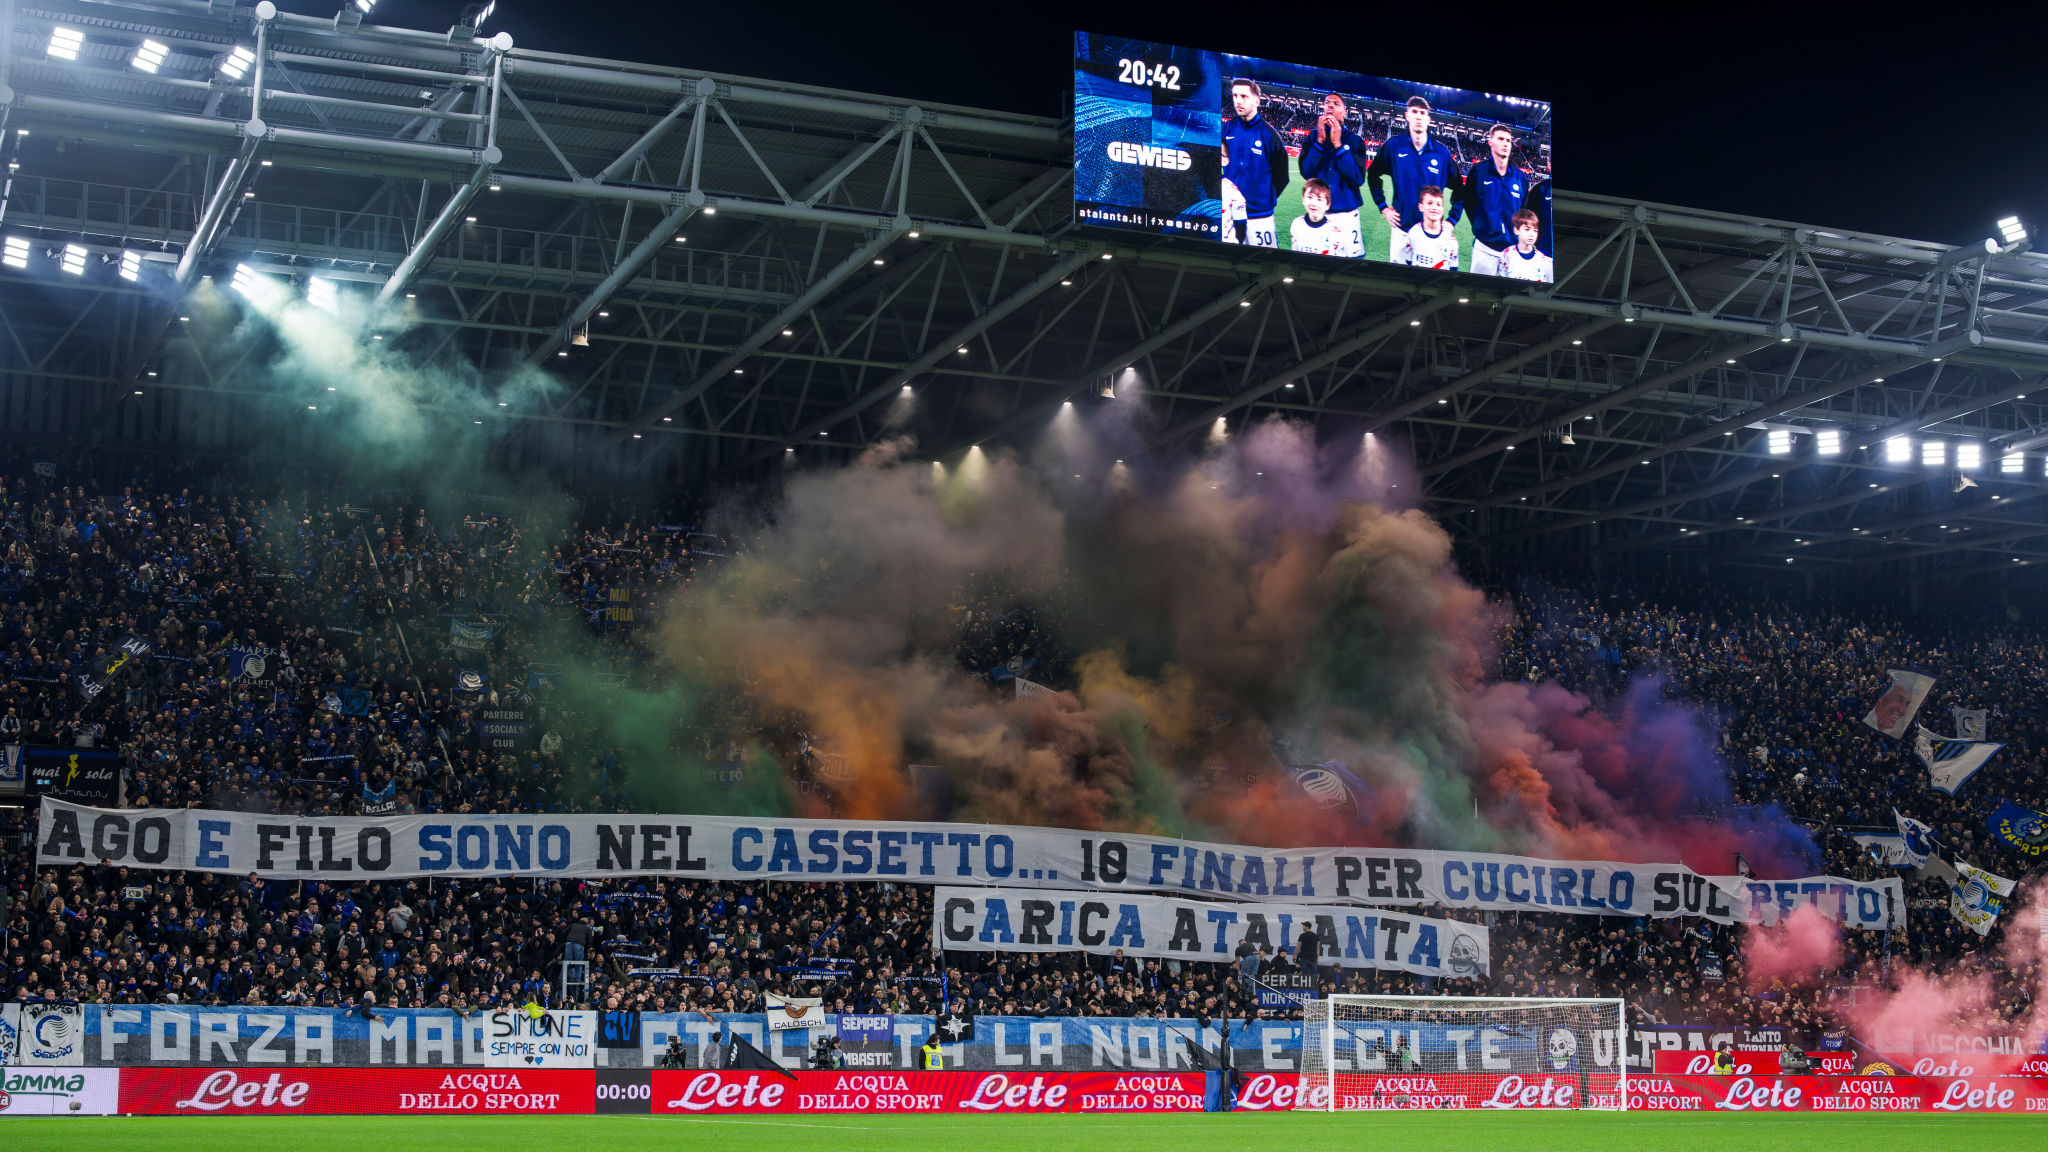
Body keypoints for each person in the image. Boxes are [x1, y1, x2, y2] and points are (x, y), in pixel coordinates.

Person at [1365, 96, 1457, 265]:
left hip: (1433, 235)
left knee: (1429, 284)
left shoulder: (1442, 154)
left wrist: (1452, 219)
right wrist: (1383, 207)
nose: (1418, 116)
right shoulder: (1394, 147)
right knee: (1398, 281)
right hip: (1402, 230)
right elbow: (1373, 174)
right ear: (1407, 115)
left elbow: (1460, 188)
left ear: (1429, 119)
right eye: (1414, 112)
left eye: (1422, 113)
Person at [1220, 78, 1289, 249]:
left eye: (1244, 96)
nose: (1238, 101)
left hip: (1261, 218)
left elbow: (1282, 177)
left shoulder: (1269, 135)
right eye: (1235, 95)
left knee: (1266, 266)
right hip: (1231, 216)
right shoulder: (1226, 130)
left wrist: (1264, 198)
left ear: (1257, 100)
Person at [1296, 92, 1366, 257]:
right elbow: (1306, 172)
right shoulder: (1313, 137)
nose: (1330, 106)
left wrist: (1337, 144)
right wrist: (1320, 141)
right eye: (1327, 103)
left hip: (1347, 215)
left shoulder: (1355, 141)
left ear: (1344, 111)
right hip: (1319, 214)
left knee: (1352, 264)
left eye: (1336, 103)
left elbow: (1358, 178)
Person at [1457, 124, 1532, 276]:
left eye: (1508, 140)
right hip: (1484, 248)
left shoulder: (1521, 178)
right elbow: (1470, 203)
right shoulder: (1478, 171)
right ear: (1490, 142)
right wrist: (1482, 226)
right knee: (1478, 294)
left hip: (1512, 251)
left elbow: (1524, 213)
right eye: (1500, 139)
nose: (1505, 143)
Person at [1406, 187, 1460, 272]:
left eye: (1438, 204)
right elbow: (1408, 262)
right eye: (1429, 203)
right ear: (1421, 207)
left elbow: (1453, 270)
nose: (1434, 207)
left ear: (1442, 209)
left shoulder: (1451, 241)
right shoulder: (1414, 233)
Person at [1289, 181, 1345, 256]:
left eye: (1319, 199)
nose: (1313, 203)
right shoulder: (1297, 223)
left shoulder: (1335, 231)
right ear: (1303, 199)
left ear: (1327, 205)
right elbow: (1294, 252)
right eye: (1310, 197)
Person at [1499, 210, 1553, 282]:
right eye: (1527, 229)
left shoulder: (1543, 260)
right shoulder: (1507, 254)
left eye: (1535, 231)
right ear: (1516, 230)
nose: (1532, 234)